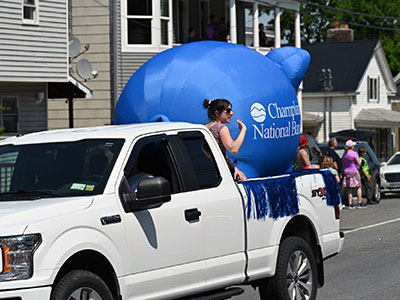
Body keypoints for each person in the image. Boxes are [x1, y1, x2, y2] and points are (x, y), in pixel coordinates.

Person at [203, 99, 247, 181]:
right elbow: (233, 149)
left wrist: (233, 167)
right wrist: (243, 129)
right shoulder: (221, 128)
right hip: (219, 172)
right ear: (217, 113)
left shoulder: (204, 127)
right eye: (228, 110)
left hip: (206, 171)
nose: (231, 113)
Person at [342, 140, 365, 209]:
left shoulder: (345, 154)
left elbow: (343, 162)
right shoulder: (354, 154)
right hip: (354, 171)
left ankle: (350, 203)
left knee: (350, 188)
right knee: (358, 186)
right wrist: (361, 162)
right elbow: (359, 163)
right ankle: (359, 202)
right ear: (351, 146)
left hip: (347, 171)